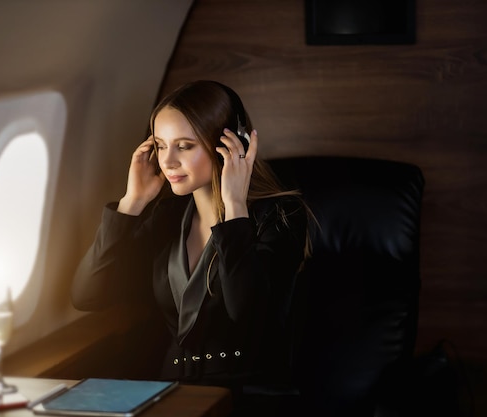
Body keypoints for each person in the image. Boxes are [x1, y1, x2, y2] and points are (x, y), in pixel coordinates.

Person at [71, 80, 311, 413]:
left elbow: (250, 318)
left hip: (249, 400)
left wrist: (235, 208)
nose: (167, 161)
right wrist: (132, 203)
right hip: (171, 393)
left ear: (230, 145)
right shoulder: (168, 216)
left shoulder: (281, 217)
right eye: (160, 145)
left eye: (184, 146)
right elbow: (87, 294)